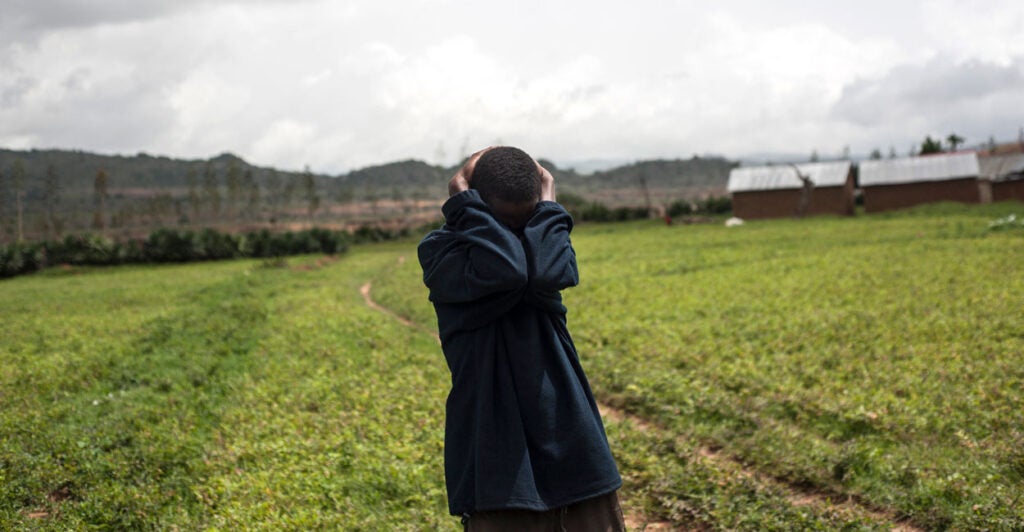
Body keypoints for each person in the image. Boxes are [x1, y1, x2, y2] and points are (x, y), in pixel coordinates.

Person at [418, 146, 625, 531]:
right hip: (497, 465)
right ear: (470, 206)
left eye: (527, 219)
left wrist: (542, 206)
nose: (517, 234)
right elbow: (509, 271)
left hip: (577, 451)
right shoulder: (441, 252)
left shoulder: (543, 251)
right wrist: (536, 208)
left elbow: (540, 273)